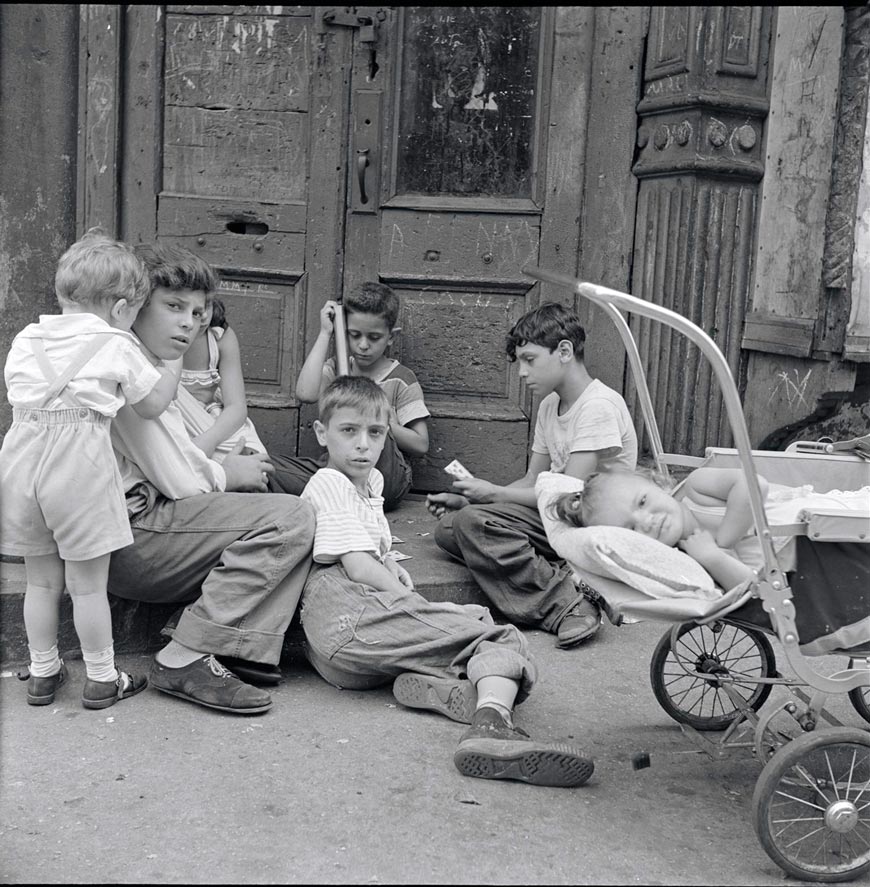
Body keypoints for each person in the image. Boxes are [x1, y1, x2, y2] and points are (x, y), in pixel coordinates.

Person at [298, 375, 594, 787]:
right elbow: (359, 568)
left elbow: (373, 556)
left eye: (375, 432)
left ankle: (443, 688)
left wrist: (392, 567)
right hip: (347, 612)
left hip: (350, 655)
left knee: (472, 616)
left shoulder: (371, 484)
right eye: (348, 431)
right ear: (322, 433)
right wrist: (408, 597)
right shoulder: (329, 481)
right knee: (500, 637)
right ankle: (492, 725)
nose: (363, 444)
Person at [106, 240, 316, 714]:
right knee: (293, 519)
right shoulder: (129, 373)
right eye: (173, 306)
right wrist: (227, 472)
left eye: (197, 311)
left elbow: (179, 458)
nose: (188, 321)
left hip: (143, 529)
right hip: (134, 536)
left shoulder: (146, 364)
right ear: (135, 305)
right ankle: (184, 653)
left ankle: (238, 645)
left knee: (298, 518)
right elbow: (180, 479)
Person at [0, 228, 180, 709]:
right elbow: (152, 405)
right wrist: (172, 362)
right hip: (77, 466)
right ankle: (102, 678)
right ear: (122, 309)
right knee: (86, 586)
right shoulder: (115, 344)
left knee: (40, 582)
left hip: (20, 463)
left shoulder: (25, 338)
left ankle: (42, 673)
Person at [428, 302, 638, 648]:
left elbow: (571, 495)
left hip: (594, 522)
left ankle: (569, 603)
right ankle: (562, 570)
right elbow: (532, 481)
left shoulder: (598, 406)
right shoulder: (549, 406)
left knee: (473, 525)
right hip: (560, 517)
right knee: (451, 528)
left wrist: (493, 496)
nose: (522, 372)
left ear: (565, 351)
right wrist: (469, 499)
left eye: (530, 360)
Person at [551, 465, 870, 589]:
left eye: (643, 502)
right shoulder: (690, 558)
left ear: (655, 482)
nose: (647, 521)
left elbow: (753, 484)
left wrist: (723, 541)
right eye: (632, 530)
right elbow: (757, 589)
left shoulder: (696, 489)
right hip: (824, 559)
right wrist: (713, 558)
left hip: (837, 517)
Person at [275, 282, 430, 511]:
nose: (363, 345)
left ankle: (354, 495)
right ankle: (342, 497)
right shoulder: (337, 366)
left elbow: (421, 444)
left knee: (369, 419)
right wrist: (326, 332)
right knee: (266, 466)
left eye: (374, 337)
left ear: (390, 337)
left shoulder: (401, 378)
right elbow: (305, 394)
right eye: (354, 335)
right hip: (335, 471)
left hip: (383, 478)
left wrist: (382, 424)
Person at [176, 295, 267, 461]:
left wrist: (209, 440)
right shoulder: (158, 338)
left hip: (211, 422)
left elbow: (236, 406)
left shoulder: (219, 337)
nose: (203, 315)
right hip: (176, 421)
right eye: (194, 310)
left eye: (207, 304)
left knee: (253, 458)